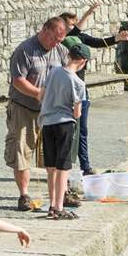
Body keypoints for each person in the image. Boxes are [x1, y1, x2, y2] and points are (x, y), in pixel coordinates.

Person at [6, 18, 68, 212]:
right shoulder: (25, 50)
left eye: (60, 39)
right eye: (55, 38)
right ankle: (24, 195)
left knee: (53, 154)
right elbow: (18, 80)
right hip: (23, 107)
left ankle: (59, 195)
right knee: (22, 150)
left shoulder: (60, 50)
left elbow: (69, 73)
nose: (56, 43)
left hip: (50, 111)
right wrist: (39, 93)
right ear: (44, 30)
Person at [60, 8, 128, 175]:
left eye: (74, 24)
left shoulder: (80, 37)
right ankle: (61, 167)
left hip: (81, 90)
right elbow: (73, 32)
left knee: (82, 130)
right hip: (64, 92)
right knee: (63, 131)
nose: (74, 27)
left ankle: (85, 166)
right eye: (70, 24)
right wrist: (88, 14)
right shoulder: (61, 40)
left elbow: (98, 42)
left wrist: (117, 39)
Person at [39, 43, 89, 219]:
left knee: (51, 167)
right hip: (64, 124)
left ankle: (52, 205)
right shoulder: (78, 83)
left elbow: (40, 95)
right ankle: (59, 207)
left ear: (68, 56)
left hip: (47, 122)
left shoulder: (53, 72)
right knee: (63, 167)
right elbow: (77, 113)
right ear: (83, 61)